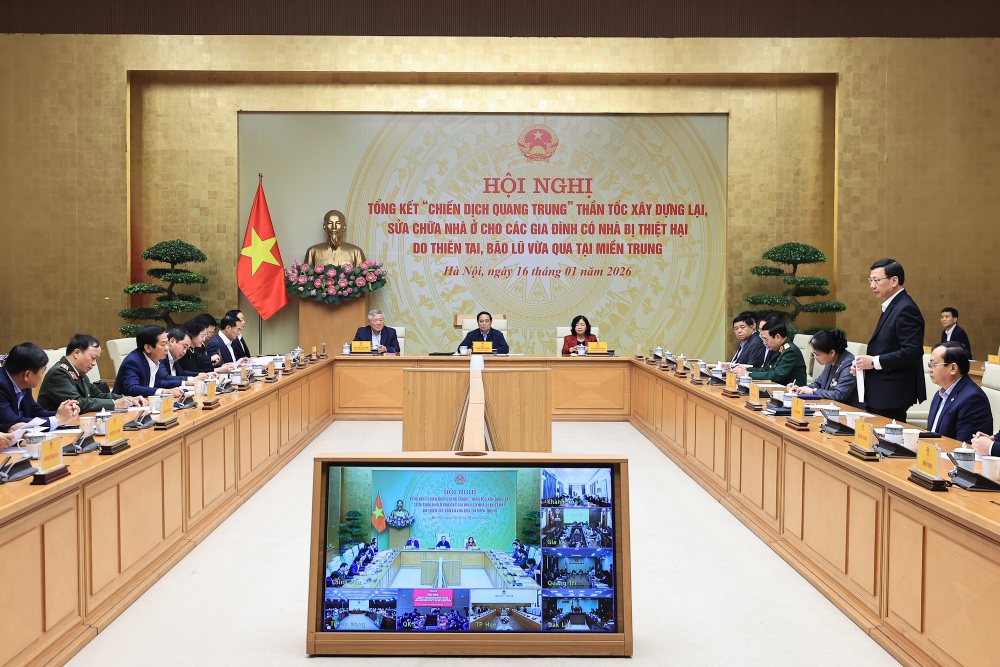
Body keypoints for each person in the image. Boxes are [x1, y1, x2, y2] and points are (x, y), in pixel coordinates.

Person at [851, 258, 926, 421]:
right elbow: (887, 348)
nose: (872, 285)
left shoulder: (905, 308)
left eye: (876, 280)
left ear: (894, 281)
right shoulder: (893, 306)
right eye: (870, 280)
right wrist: (864, 365)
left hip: (892, 394)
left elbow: (912, 351)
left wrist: (874, 362)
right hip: (881, 391)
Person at [38, 334, 147, 413]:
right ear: (77, 353)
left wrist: (128, 399)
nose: (94, 364)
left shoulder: (78, 372)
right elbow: (78, 402)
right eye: (93, 358)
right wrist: (115, 404)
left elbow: (97, 395)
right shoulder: (59, 373)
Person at [0, 342, 79, 432]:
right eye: (42, 372)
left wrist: (63, 413)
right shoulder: (1, 385)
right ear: (27, 375)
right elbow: (11, 422)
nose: (43, 375)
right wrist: (57, 420)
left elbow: (35, 411)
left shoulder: (23, 383)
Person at [925, 342, 993, 442]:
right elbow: (932, 432)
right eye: (929, 365)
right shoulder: (940, 394)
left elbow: (964, 447)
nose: (930, 370)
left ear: (953, 368)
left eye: (934, 365)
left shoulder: (972, 399)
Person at [789, 329, 858, 406]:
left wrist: (813, 391)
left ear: (832, 352)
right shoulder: (830, 360)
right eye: (813, 354)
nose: (814, 358)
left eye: (817, 354)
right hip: (828, 406)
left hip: (846, 410)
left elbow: (839, 395)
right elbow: (818, 383)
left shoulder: (849, 364)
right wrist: (801, 388)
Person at [112, 326, 186, 398]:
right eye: (163, 344)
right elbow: (132, 388)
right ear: (147, 348)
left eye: (167, 343)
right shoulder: (133, 362)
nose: (167, 348)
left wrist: (175, 388)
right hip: (124, 407)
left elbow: (159, 382)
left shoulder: (155, 358)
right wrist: (162, 391)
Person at [733, 318, 807, 386]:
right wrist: (746, 369)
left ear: (778, 337)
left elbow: (777, 375)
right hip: (778, 387)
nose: (764, 343)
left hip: (793, 393)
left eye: (766, 339)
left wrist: (748, 374)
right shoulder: (778, 348)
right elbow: (767, 369)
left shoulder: (790, 351)